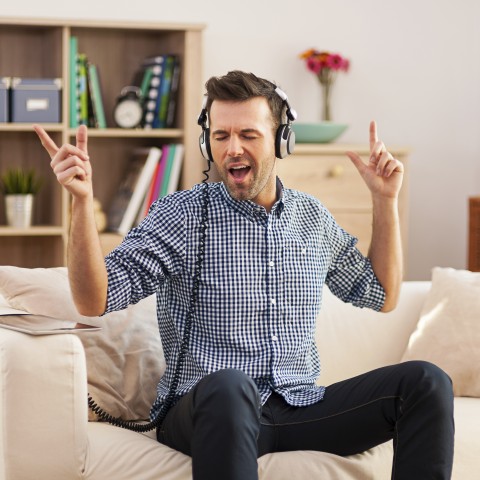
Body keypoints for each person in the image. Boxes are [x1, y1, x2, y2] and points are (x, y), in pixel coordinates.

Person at [34, 70, 454, 480]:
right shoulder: (180, 215)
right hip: (207, 410)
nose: (232, 148)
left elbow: (381, 294)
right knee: (232, 387)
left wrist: (385, 201)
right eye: (221, 136)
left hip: (297, 405)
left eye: (248, 135)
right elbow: (95, 299)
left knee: (426, 382)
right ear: (207, 141)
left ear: (280, 140)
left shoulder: (312, 219)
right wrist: (81, 203)